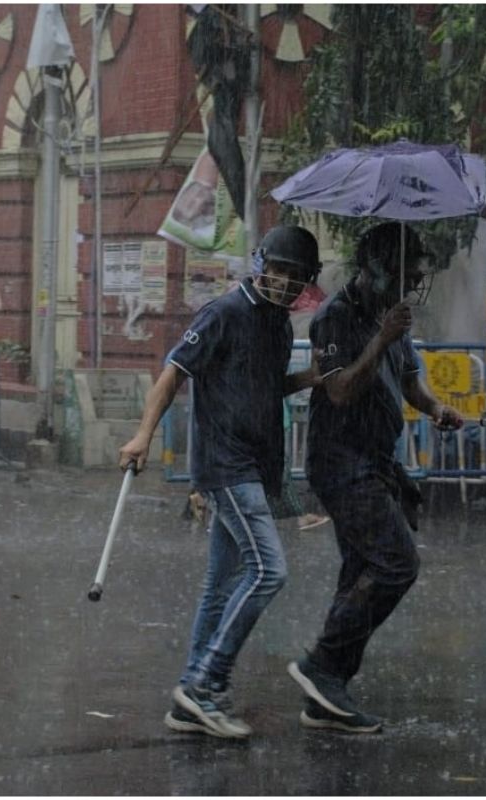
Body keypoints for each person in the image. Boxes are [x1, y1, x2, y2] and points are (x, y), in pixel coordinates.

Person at [119, 225, 323, 740]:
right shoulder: (224, 313)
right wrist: (143, 436)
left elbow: (265, 386)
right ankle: (206, 683)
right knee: (268, 571)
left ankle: (192, 700)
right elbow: (173, 373)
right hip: (227, 466)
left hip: (256, 465)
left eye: (296, 276)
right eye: (280, 271)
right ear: (261, 266)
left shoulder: (279, 326)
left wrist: (310, 378)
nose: (286, 282)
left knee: (220, 586)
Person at [288, 222, 463, 734]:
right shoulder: (335, 318)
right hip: (340, 461)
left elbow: (409, 382)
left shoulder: (394, 317)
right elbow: (340, 390)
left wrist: (436, 408)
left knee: (361, 572)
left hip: (376, 459)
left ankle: (327, 695)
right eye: (406, 274)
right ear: (376, 268)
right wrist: (380, 339)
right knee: (395, 564)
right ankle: (322, 665)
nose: (413, 285)